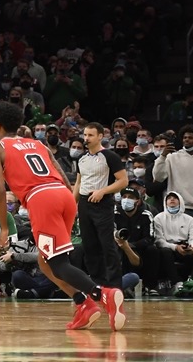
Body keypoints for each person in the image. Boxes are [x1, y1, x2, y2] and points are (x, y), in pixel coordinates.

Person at [0, 101, 125, 331]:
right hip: (63, 195)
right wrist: (69, 201)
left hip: (41, 199)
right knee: (45, 260)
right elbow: (61, 173)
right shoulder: (37, 144)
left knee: (58, 264)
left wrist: (3, 227)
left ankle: (102, 294)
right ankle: (83, 303)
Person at [74, 122, 128, 288]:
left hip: (103, 203)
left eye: (90, 135)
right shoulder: (81, 158)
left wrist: (103, 191)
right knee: (89, 245)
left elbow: (123, 181)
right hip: (84, 203)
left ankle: (114, 285)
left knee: (107, 244)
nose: (86, 138)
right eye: (85, 135)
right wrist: (72, 204)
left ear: (100, 136)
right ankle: (97, 284)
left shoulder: (110, 156)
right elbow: (78, 183)